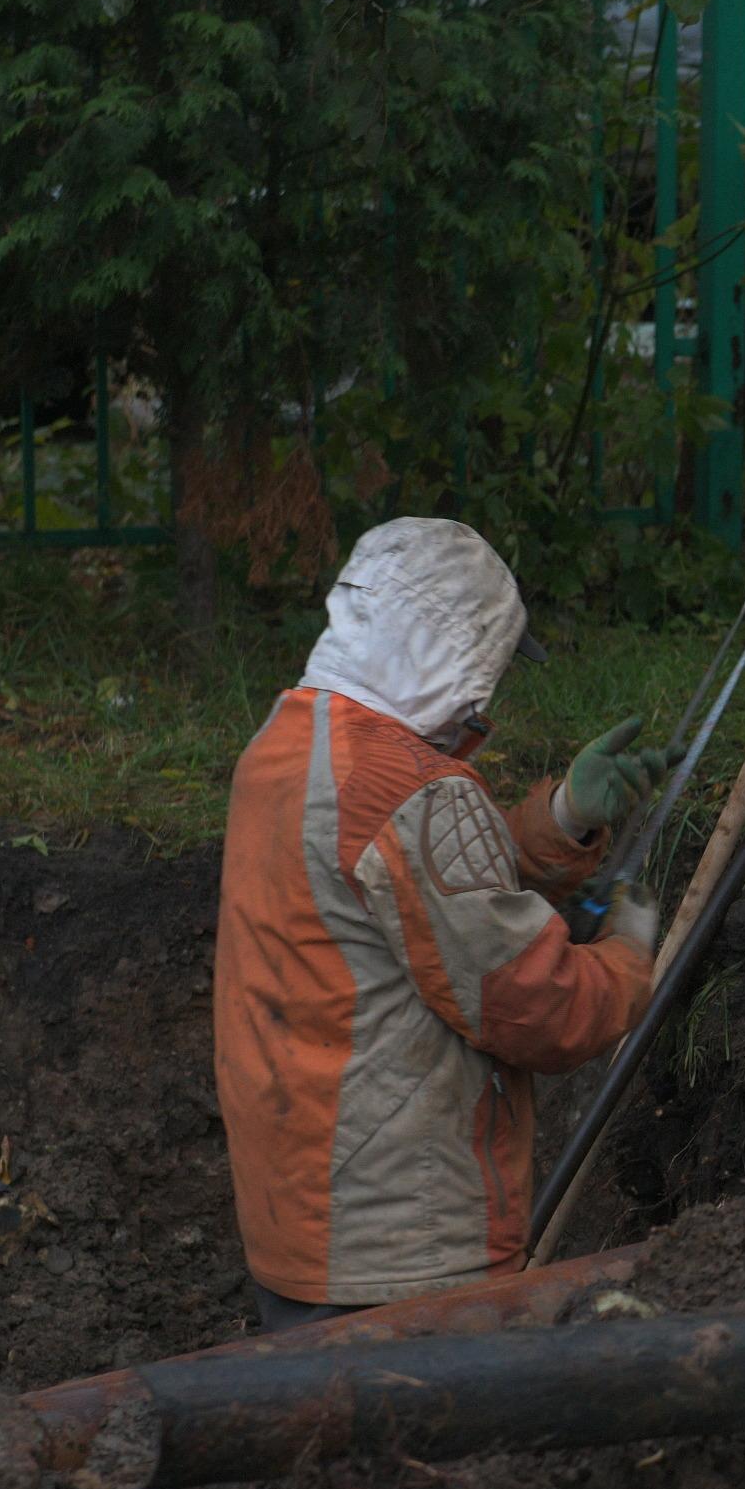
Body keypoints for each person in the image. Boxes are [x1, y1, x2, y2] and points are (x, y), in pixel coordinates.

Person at [213, 517, 671, 1329]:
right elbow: (539, 1004)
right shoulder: (407, 789)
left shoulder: (286, 747)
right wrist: (631, 956)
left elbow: (411, 889)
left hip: (304, 1223)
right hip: (405, 1249)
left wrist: (562, 817)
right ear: (459, 656)